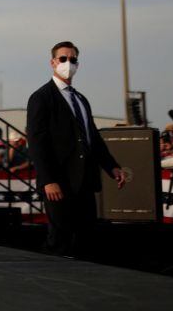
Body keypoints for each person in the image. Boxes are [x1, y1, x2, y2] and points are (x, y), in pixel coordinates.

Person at [26, 41, 125, 258]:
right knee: (59, 239)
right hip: (59, 182)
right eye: (63, 59)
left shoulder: (80, 100)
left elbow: (93, 138)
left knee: (86, 238)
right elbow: (36, 142)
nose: (68, 63)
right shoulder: (41, 98)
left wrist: (112, 167)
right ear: (53, 62)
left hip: (85, 181)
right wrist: (48, 179)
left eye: (73, 59)